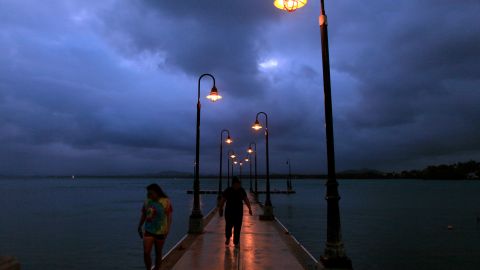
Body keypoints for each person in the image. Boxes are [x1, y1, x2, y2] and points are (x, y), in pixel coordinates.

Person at [137, 184, 173, 270]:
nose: (148, 195)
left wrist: (167, 229)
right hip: (148, 230)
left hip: (161, 231)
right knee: (146, 252)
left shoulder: (166, 202)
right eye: (148, 193)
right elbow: (144, 214)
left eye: (151, 193)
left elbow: (169, 217)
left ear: (157, 192)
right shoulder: (147, 201)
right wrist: (139, 226)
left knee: (158, 253)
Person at [219, 176, 252, 248]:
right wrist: (220, 209)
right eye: (238, 184)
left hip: (238, 212)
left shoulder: (241, 190)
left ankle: (236, 242)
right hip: (229, 212)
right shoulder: (228, 190)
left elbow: (246, 200)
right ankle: (228, 238)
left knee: (237, 227)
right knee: (228, 226)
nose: (239, 185)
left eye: (239, 184)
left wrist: (249, 208)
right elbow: (222, 200)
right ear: (234, 184)